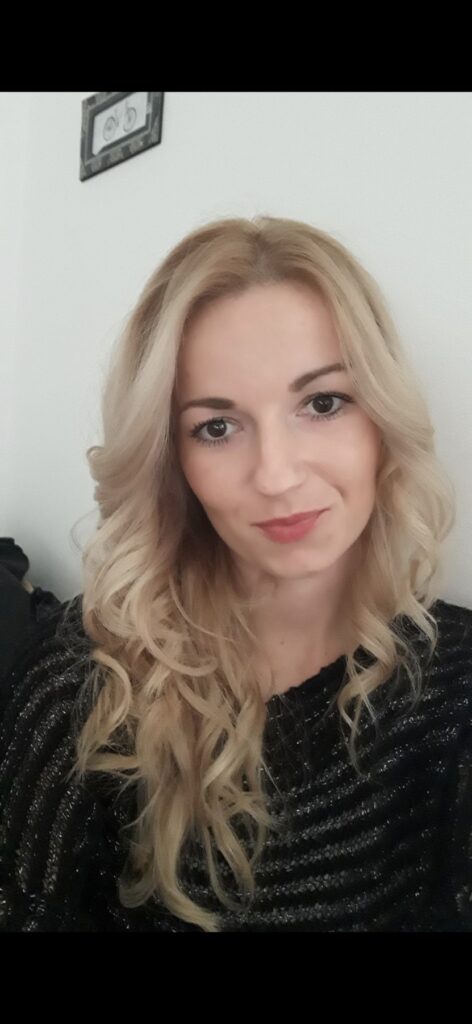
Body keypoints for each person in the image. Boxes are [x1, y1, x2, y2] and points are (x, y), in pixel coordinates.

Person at [1, 215, 471, 932]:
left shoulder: (456, 690)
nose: (276, 476)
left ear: (382, 417)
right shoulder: (85, 686)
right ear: (173, 461)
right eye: (216, 427)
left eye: (323, 403)